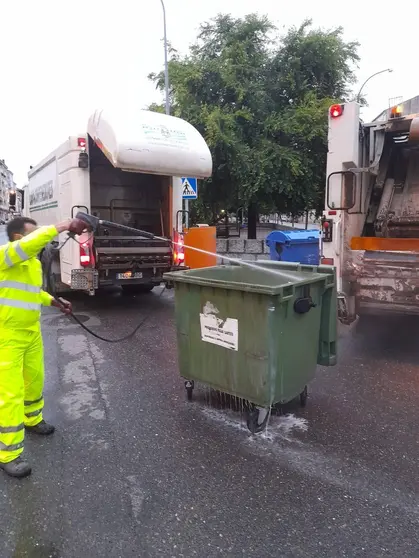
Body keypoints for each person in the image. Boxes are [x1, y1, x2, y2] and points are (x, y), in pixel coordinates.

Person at [0, 216, 86, 478]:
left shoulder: (32, 264)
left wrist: (54, 301)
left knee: (35, 381)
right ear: (18, 238)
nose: (39, 237)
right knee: (10, 394)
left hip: (31, 332)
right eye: (33, 233)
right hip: (7, 337)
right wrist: (60, 226)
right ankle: (9, 454)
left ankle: (32, 420)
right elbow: (34, 242)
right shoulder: (6, 255)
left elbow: (32, 292)